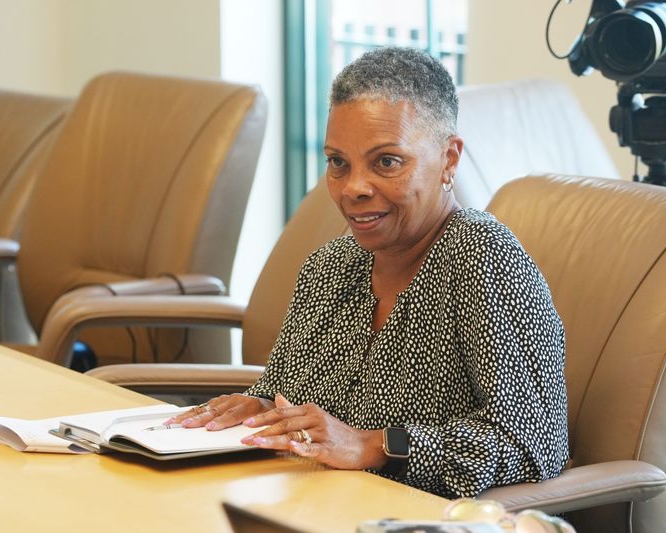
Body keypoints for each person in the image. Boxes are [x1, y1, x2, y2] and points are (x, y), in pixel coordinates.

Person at [166, 46, 569, 498]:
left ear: (449, 159)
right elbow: (282, 394)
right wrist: (255, 411)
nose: (353, 188)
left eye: (387, 162)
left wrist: (375, 445)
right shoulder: (329, 265)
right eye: (338, 162)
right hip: (306, 506)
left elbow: (533, 445)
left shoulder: (485, 258)